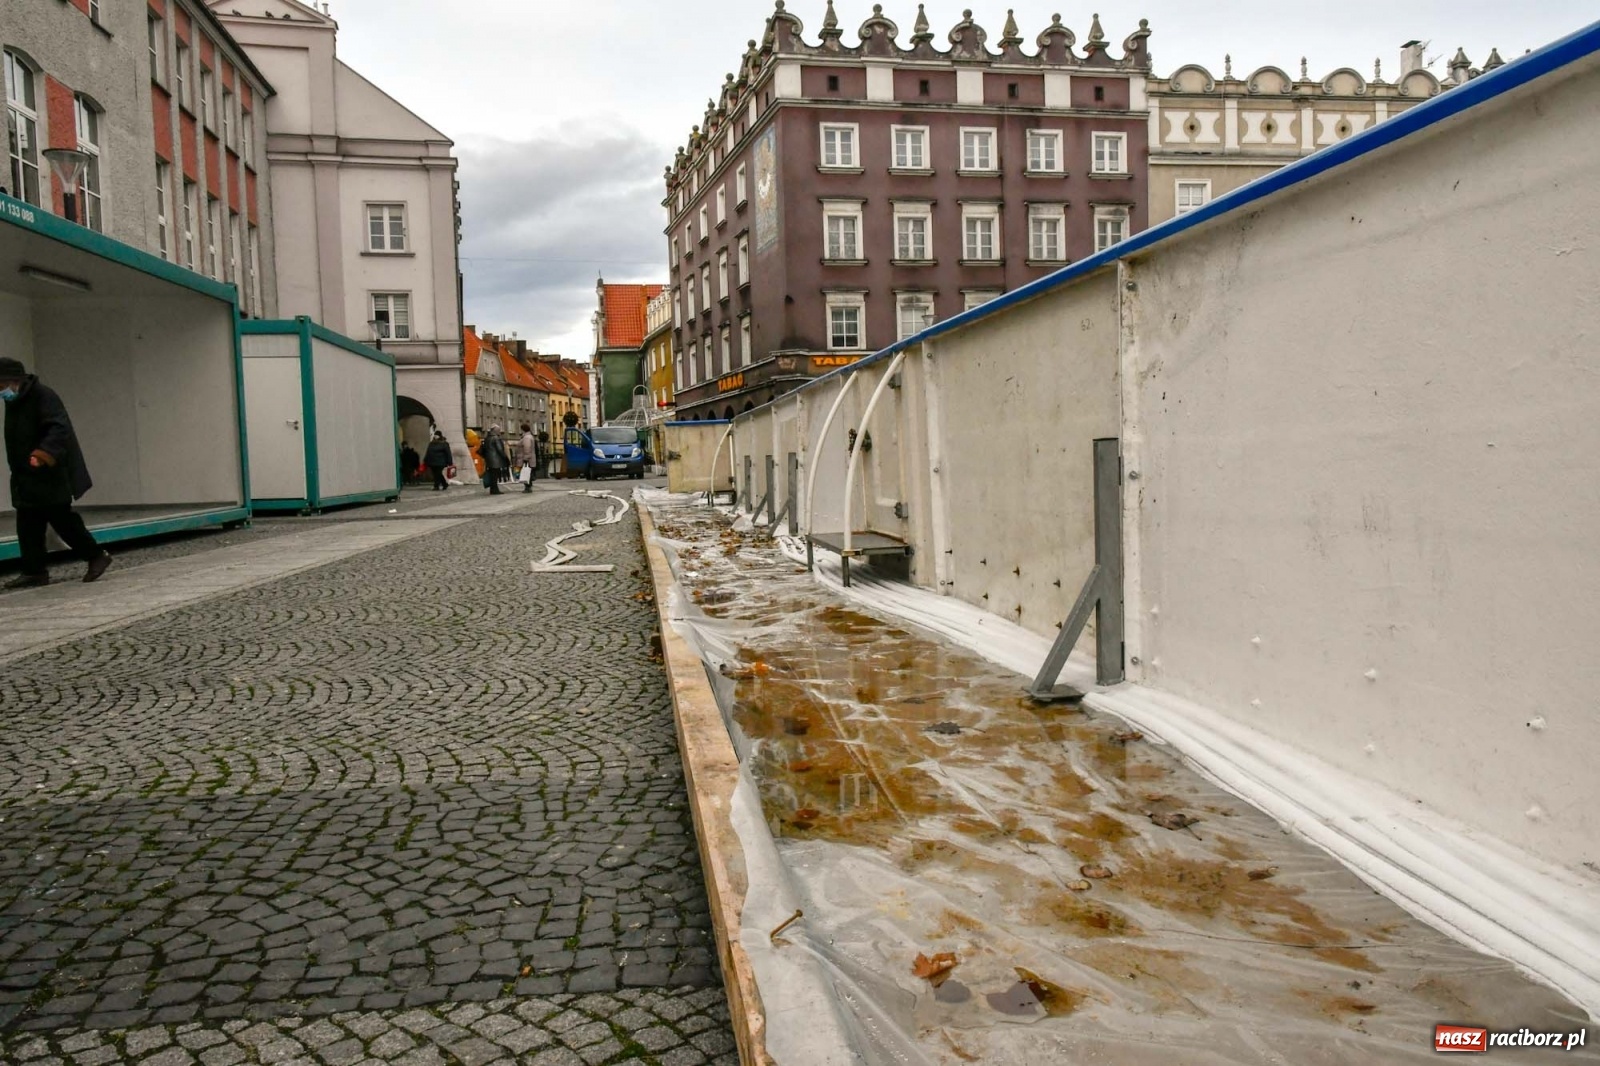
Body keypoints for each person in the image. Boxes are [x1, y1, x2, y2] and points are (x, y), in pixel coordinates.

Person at [0, 357, 112, 588]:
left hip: (48, 472)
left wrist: (42, 455)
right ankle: (34, 571)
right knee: (28, 524)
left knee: (63, 520)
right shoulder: (16, 400)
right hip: (25, 474)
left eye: (1, 386)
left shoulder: (43, 396)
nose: (0, 392)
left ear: (13, 381)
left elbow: (58, 428)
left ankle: (96, 555)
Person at [480, 424, 510, 495]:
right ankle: (495, 490)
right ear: (495, 430)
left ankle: (493, 489)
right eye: (499, 430)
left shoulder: (487, 438)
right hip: (496, 460)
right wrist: (505, 457)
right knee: (495, 475)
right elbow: (499, 449)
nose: (500, 431)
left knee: (492, 475)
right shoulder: (496, 438)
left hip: (489, 459)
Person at [517, 423, 536, 493]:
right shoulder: (528, 436)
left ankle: (528, 487)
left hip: (526, 459)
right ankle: (528, 487)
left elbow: (527, 448)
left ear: (523, 429)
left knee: (526, 473)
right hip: (529, 458)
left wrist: (526, 458)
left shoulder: (526, 437)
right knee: (528, 473)